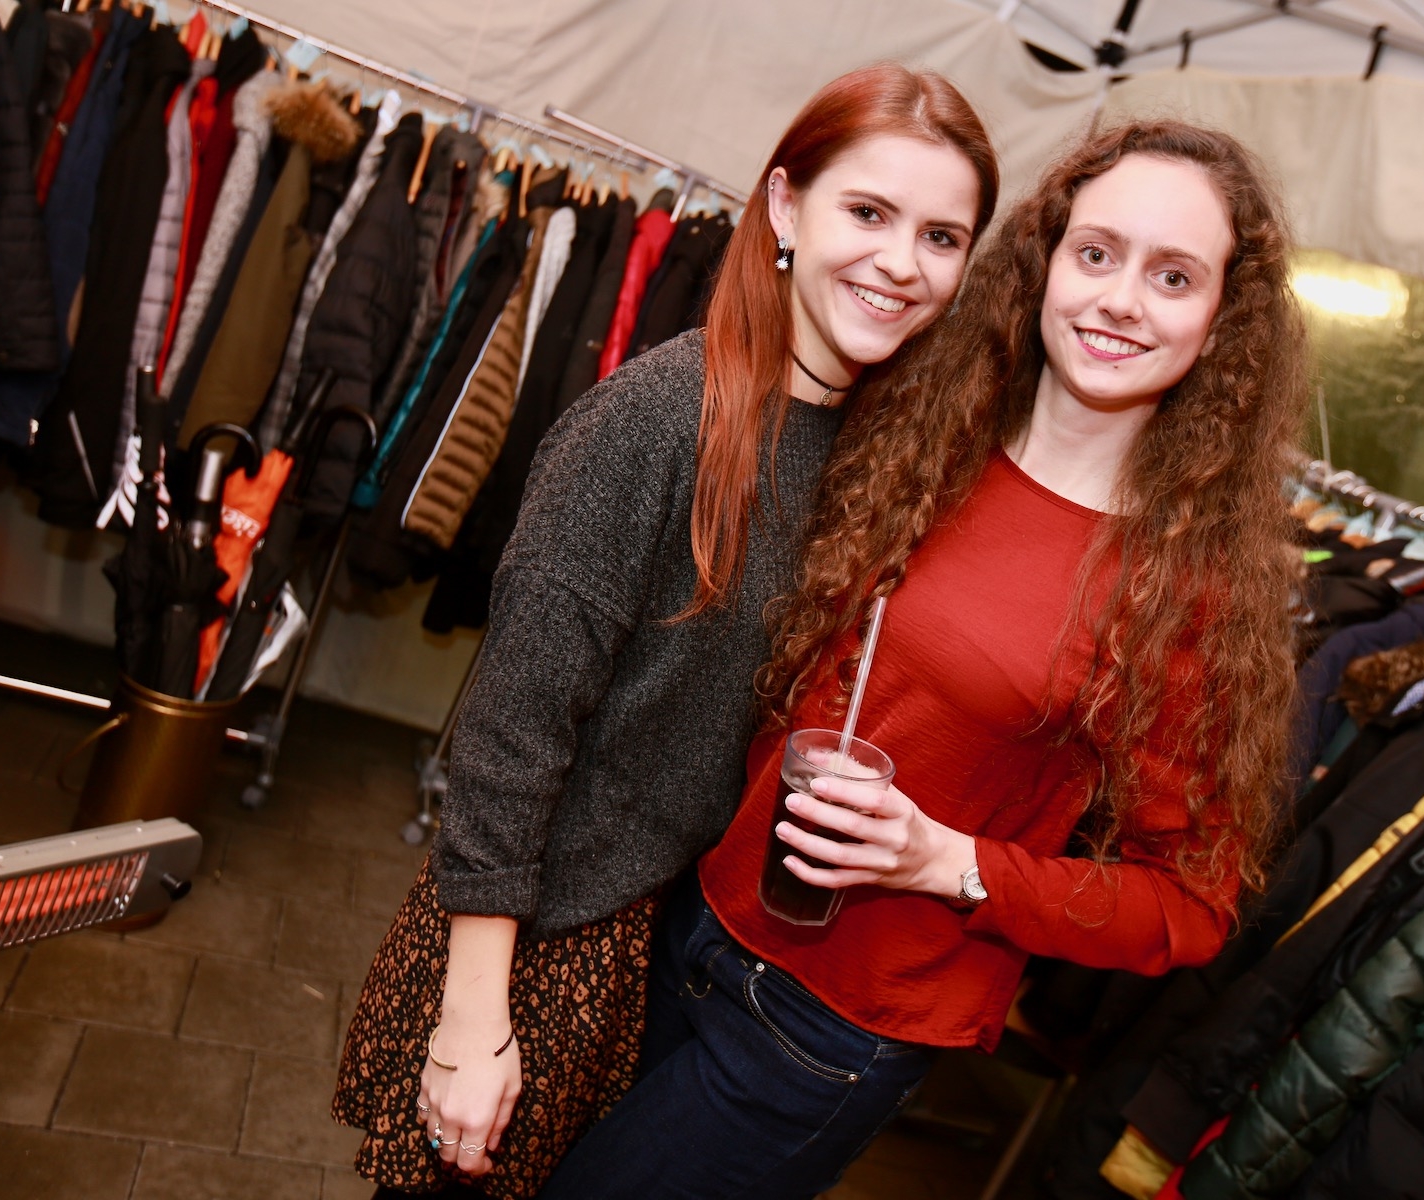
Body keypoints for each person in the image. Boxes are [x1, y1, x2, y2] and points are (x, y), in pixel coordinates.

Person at [540, 118, 1309, 1198]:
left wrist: (946, 862)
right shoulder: (917, 432)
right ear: (1044, 262)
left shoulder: (1186, 593)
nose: (1121, 300)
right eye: (1097, 253)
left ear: (1223, 319)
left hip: (823, 1032)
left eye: (1173, 276)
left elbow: (1188, 908)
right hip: (693, 919)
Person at [331, 65, 998, 1198]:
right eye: (869, 212)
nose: (901, 262)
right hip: (547, 938)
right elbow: (512, 727)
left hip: (677, 944)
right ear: (786, 206)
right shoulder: (654, 420)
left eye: (942, 237)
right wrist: (474, 1017)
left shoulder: (870, 452)